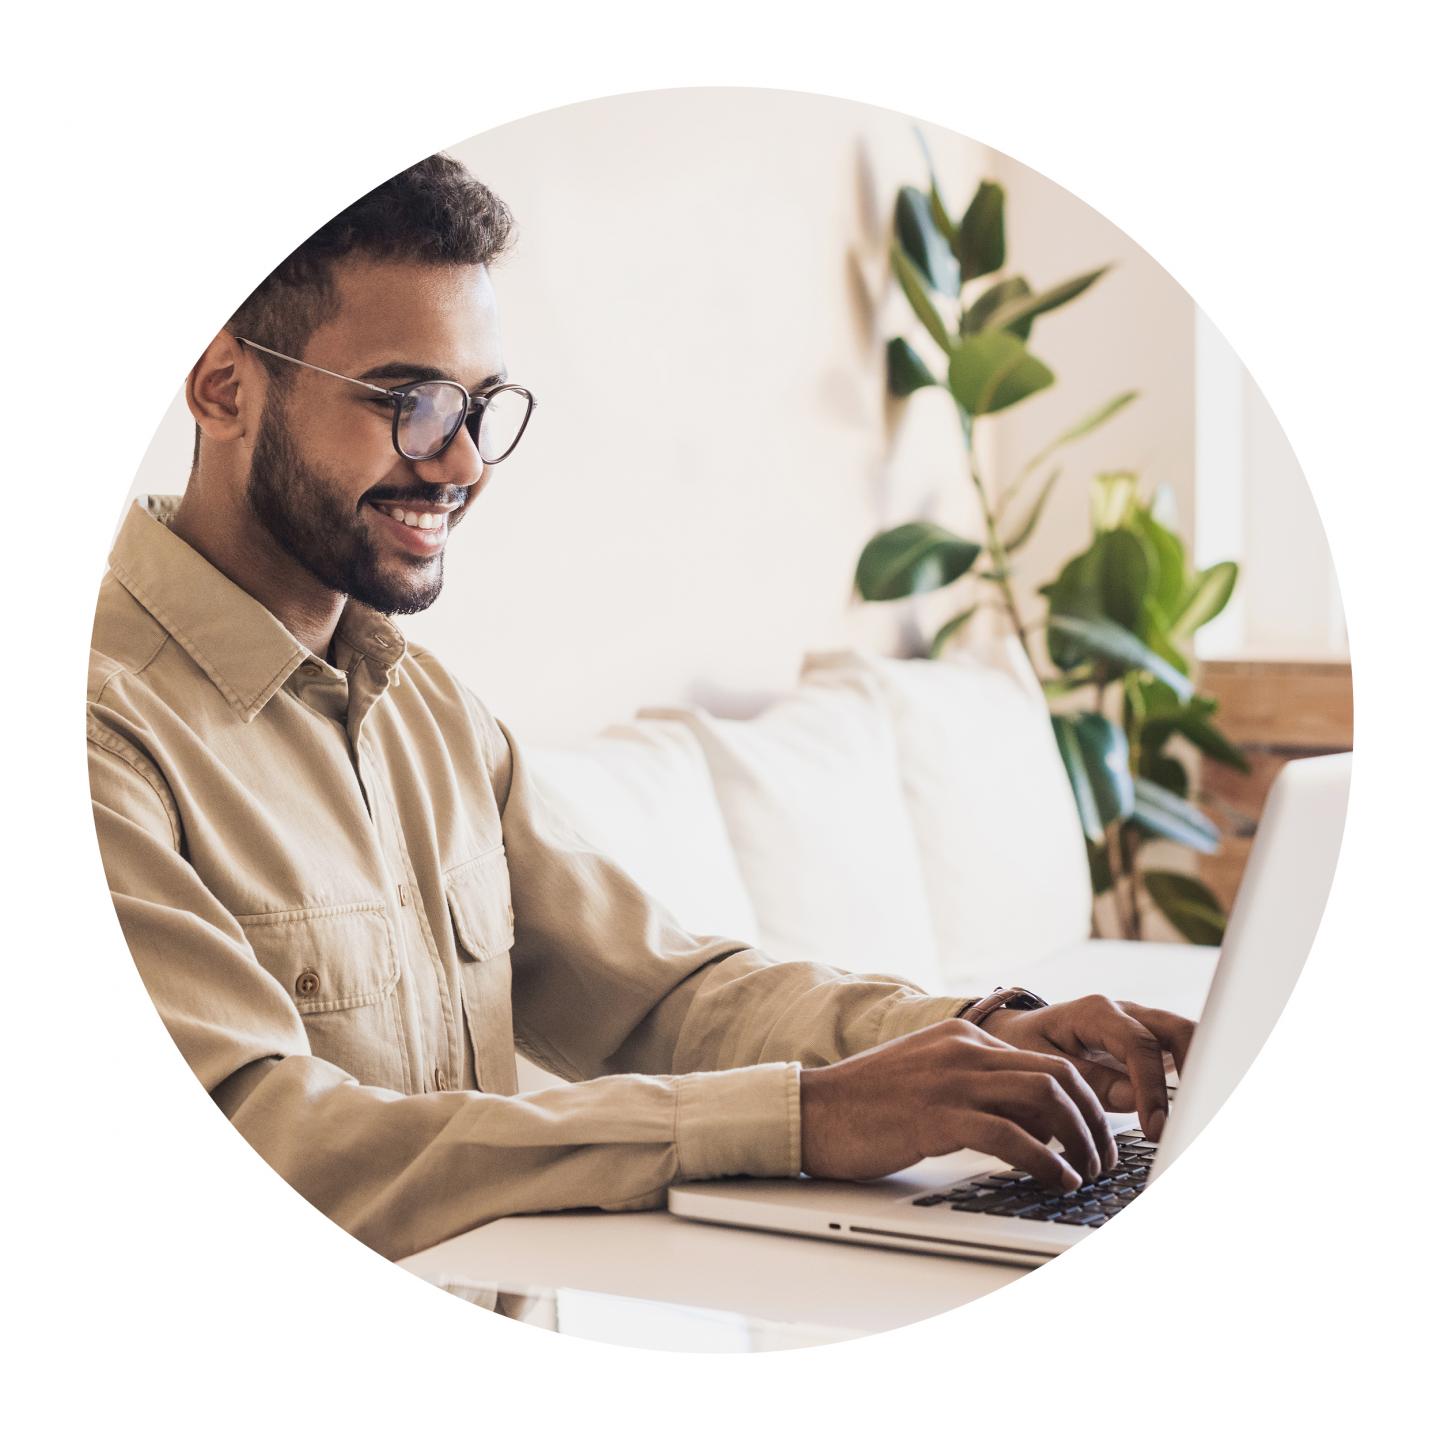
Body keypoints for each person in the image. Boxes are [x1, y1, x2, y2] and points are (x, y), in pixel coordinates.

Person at [88, 152, 1194, 1264]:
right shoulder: (98, 737)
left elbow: (658, 995)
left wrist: (979, 1038)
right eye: (411, 403)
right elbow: (260, 1142)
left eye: (481, 405)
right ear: (224, 385)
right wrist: (805, 1119)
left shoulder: (426, 710)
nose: (462, 461)